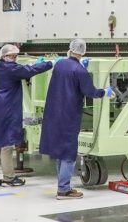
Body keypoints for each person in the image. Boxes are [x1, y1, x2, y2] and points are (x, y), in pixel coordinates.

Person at [40, 39, 113, 200]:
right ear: (83, 52)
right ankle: (64, 190)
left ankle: (62, 185)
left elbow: (68, 76)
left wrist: (81, 67)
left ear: (70, 50)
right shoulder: (80, 71)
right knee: (68, 152)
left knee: (60, 151)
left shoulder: (60, 65)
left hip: (53, 113)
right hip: (69, 116)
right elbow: (90, 92)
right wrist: (104, 92)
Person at [0, 44, 53, 187]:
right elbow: (29, 71)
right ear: (4, 56)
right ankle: (9, 178)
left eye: (16, 56)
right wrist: (49, 64)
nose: (15, 59)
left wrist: (36, 63)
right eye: (12, 56)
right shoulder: (10, 69)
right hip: (5, 111)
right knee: (6, 144)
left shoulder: (0, 66)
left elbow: (24, 69)